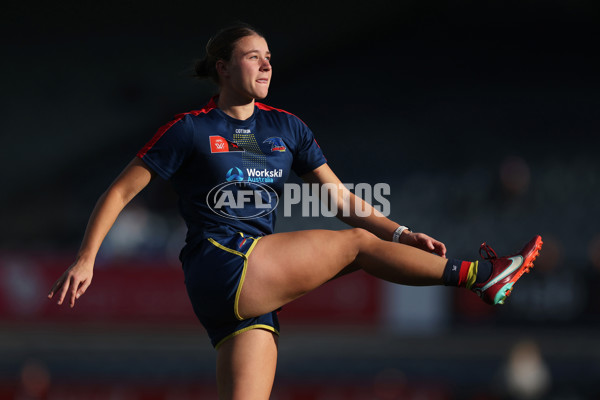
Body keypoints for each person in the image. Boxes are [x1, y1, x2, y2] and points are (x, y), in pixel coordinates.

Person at [48, 23, 543, 399]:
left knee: (360, 239)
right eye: (252, 57)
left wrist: (401, 233)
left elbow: (342, 201)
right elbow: (118, 192)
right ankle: (480, 275)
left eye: (269, 58)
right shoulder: (189, 129)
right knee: (354, 246)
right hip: (223, 264)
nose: (265, 65)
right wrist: (87, 256)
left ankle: (476, 275)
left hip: (250, 293)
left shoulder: (288, 128)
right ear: (222, 67)